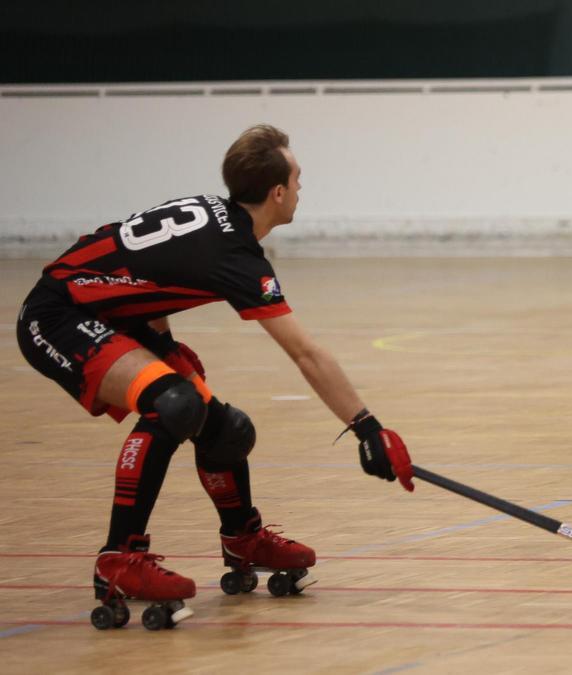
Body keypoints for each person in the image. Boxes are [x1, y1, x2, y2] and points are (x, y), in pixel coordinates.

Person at [15, 124, 416, 630]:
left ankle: (242, 538)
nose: (300, 191)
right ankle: (118, 558)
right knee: (174, 405)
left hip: (112, 315)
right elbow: (305, 354)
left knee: (230, 429)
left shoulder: (213, 212)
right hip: (57, 315)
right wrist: (366, 427)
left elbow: (144, 273)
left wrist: (160, 344)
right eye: (298, 181)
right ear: (277, 193)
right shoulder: (237, 257)